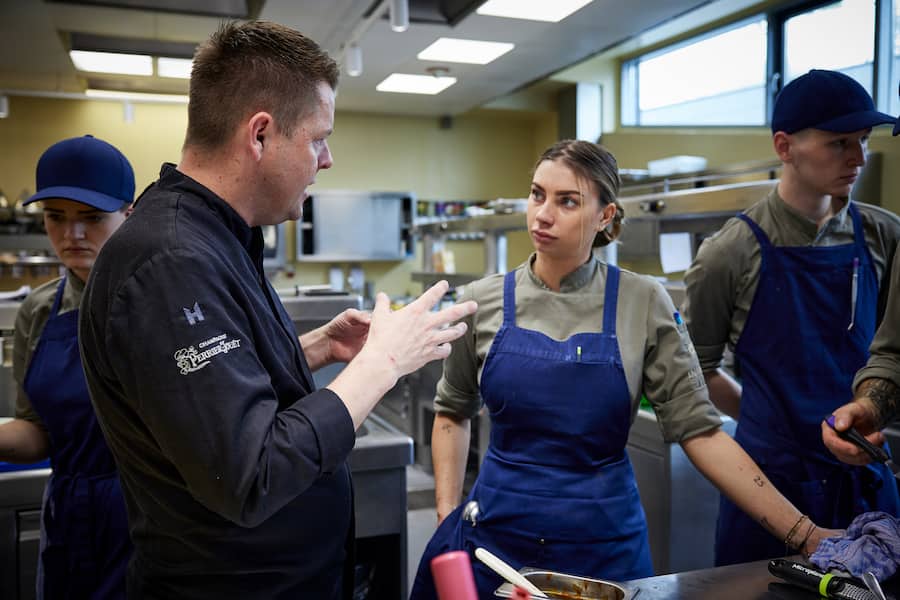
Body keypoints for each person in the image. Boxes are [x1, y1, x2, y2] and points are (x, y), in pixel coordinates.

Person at [77, 21, 476, 600]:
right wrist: (381, 363)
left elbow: (218, 391)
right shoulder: (169, 261)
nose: (328, 159)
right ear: (260, 135)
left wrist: (319, 348)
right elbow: (252, 472)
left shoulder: (218, 238)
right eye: (318, 139)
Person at [410, 139, 839, 600]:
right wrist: (447, 516)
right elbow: (453, 412)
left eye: (567, 201)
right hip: (495, 545)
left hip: (604, 553)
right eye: (537, 195)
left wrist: (806, 534)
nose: (542, 215)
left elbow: (702, 432)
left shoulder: (642, 301)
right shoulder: (484, 300)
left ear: (605, 216)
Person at [683, 69, 900, 568]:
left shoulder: (883, 235)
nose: (859, 158)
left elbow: (892, 351)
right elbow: (699, 371)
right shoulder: (729, 253)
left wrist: (870, 414)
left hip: (864, 476)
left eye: (864, 141)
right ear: (785, 146)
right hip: (773, 482)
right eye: (839, 142)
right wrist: (772, 426)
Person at [0, 135, 134, 598]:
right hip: (69, 516)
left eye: (92, 218)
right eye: (55, 217)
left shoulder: (160, 299)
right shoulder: (38, 311)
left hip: (148, 518)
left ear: (128, 216)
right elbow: (37, 432)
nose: (71, 236)